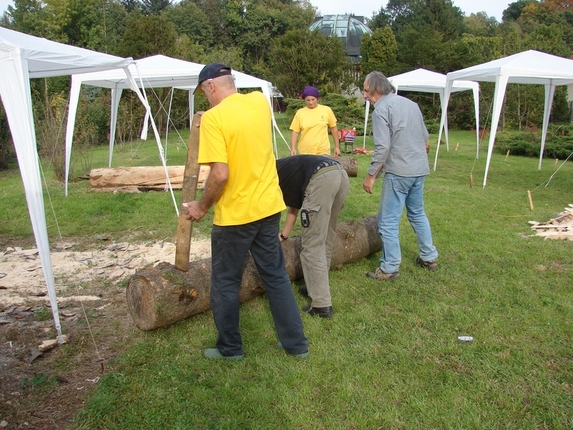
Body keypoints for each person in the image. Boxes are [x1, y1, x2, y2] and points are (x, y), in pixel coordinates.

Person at [184, 63, 309, 360]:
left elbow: (220, 174)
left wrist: (201, 207)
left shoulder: (214, 120)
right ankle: (296, 345)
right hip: (268, 207)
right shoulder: (258, 102)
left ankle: (230, 349)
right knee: (276, 276)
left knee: (226, 282)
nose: (206, 100)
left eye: (205, 93)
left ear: (212, 86)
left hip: (236, 216)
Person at [361, 71, 438, 280]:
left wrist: (371, 176)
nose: (364, 96)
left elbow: (383, 147)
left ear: (376, 89)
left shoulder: (381, 110)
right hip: (419, 170)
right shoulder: (410, 104)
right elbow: (425, 138)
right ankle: (429, 256)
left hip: (399, 172)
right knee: (417, 214)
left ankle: (389, 268)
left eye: (366, 91)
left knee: (387, 222)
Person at [276, 155, 350, 318]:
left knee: (312, 245)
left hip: (321, 180)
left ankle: (321, 305)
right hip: (340, 174)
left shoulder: (272, 176)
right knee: (326, 238)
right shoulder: (286, 167)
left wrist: (279, 235)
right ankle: (315, 287)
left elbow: (286, 208)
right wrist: (284, 235)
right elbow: (294, 206)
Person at [290, 86, 341, 157]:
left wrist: (337, 147)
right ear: (304, 100)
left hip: (323, 150)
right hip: (305, 151)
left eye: (313, 99)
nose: (311, 102)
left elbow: (333, 128)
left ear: (317, 98)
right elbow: (295, 131)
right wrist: (293, 148)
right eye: (308, 100)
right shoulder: (300, 113)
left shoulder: (326, 110)